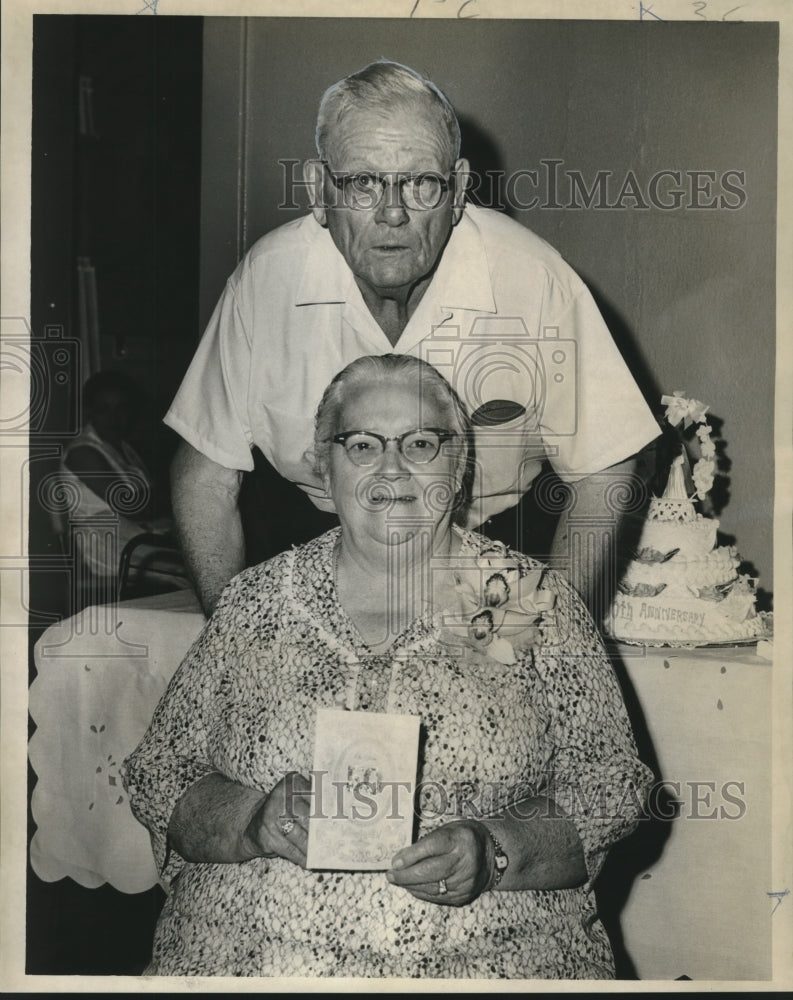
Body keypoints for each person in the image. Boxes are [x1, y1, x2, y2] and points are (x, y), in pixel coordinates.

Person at [124, 354, 653, 979]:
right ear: (325, 466)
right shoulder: (255, 604)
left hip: (485, 962)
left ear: (459, 467)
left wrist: (495, 850)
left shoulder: (527, 600)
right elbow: (160, 773)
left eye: (421, 443)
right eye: (363, 445)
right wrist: (249, 822)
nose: (393, 468)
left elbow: (612, 784)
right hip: (254, 957)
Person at [165, 60, 660, 619]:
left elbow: (604, 467)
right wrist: (230, 631)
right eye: (361, 183)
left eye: (422, 183)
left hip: (489, 564)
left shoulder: (533, 279)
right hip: (310, 553)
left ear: (460, 191)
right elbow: (204, 470)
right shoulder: (267, 278)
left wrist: (551, 636)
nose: (393, 212)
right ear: (319, 190)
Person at [59, 370, 183, 587]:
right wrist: (160, 494)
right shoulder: (82, 452)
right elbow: (132, 506)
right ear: (90, 412)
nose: (114, 418)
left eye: (122, 408)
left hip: (132, 535)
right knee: (184, 572)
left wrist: (156, 497)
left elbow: (151, 499)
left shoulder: (123, 447)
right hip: (105, 544)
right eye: (104, 409)